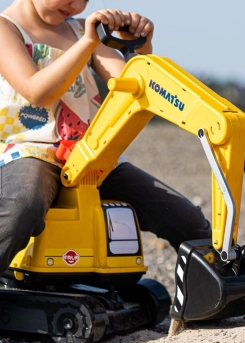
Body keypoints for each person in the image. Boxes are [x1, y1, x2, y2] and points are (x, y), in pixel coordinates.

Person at [0, 0, 211, 274]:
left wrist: (139, 47)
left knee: (182, 216)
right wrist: (88, 42)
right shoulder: (7, 29)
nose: (77, 6)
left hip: (89, 154)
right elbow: (37, 92)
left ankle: (217, 294)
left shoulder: (80, 30)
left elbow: (131, 88)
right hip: (29, 150)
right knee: (22, 207)